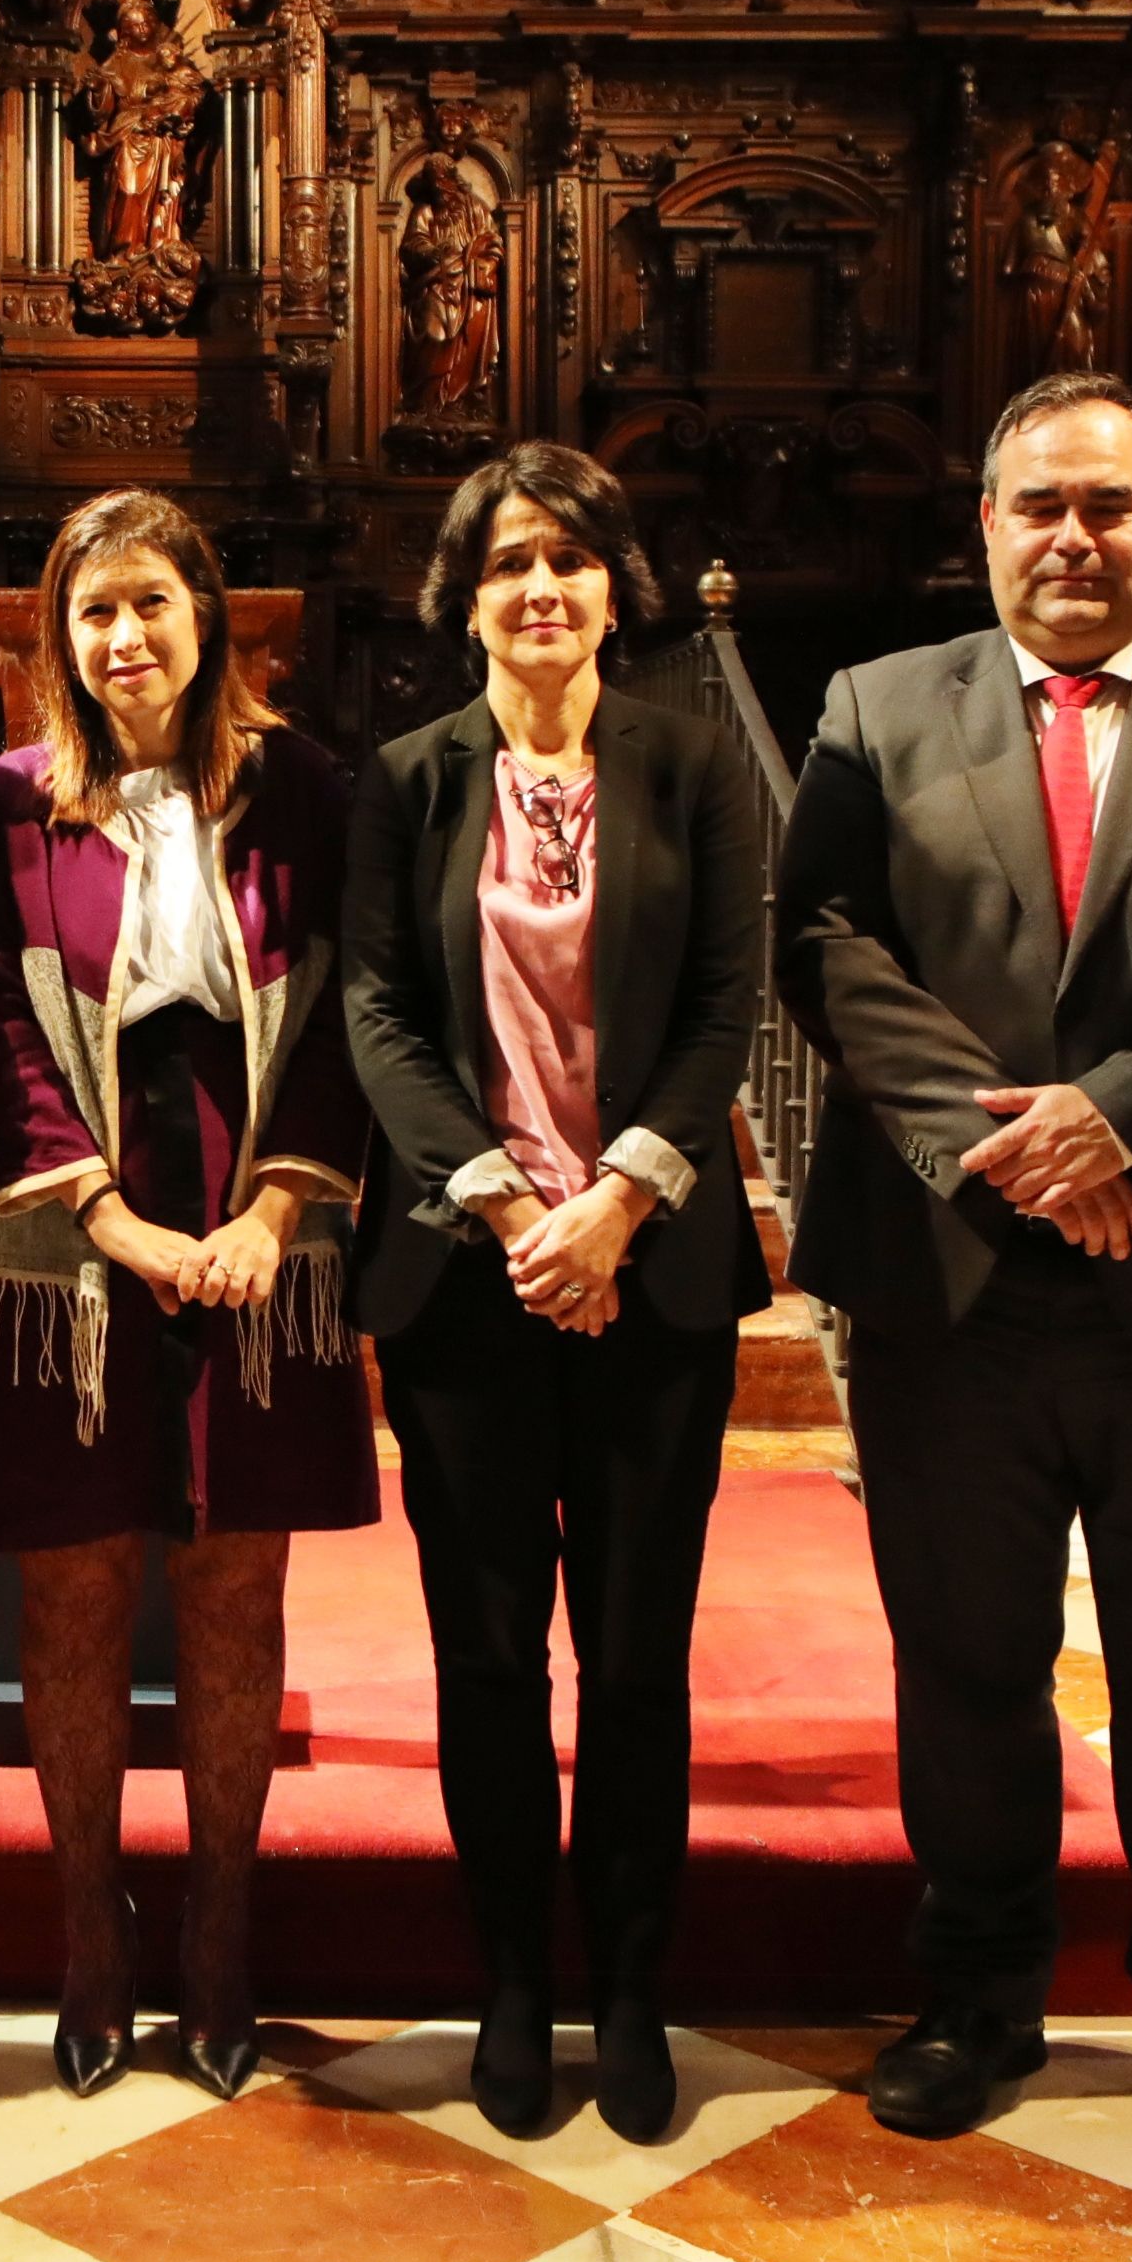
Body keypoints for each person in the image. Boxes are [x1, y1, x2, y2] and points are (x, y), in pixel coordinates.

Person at [774, 374, 1132, 2188]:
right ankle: (981, 1993)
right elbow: (825, 937)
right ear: (989, 527)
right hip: (953, 1280)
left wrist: (1124, 1123)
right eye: (1040, 508)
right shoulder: (879, 705)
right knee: (965, 1661)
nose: (1074, 540)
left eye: (1109, 505)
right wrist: (1004, 1143)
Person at [341, 443, 769, 2147]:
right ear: (464, 597)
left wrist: (618, 1204)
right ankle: (516, 1979)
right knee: (489, 1658)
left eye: (570, 561)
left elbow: (732, 998)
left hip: (651, 1275)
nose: (540, 589)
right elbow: (376, 1011)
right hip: (466, 1279)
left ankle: (635, 1988)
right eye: (509, 561)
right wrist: (510, 1202)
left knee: (642, 1661)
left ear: (613, 589)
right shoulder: (407, 778)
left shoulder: (692, 764)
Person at [0, 490, 372, 2102]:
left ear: (210, 620)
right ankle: (88, 1937)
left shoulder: (305, 790)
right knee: (74, 1593)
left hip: (251, 1192)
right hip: (69, 1229)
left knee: (240, 1593)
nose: (123, 640)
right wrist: (108, 1219)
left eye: (150, 606)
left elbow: (346, 1006)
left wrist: (273, 1205)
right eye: (91, 613)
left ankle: (222, 1940)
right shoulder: (5, 799)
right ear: (59, 636)